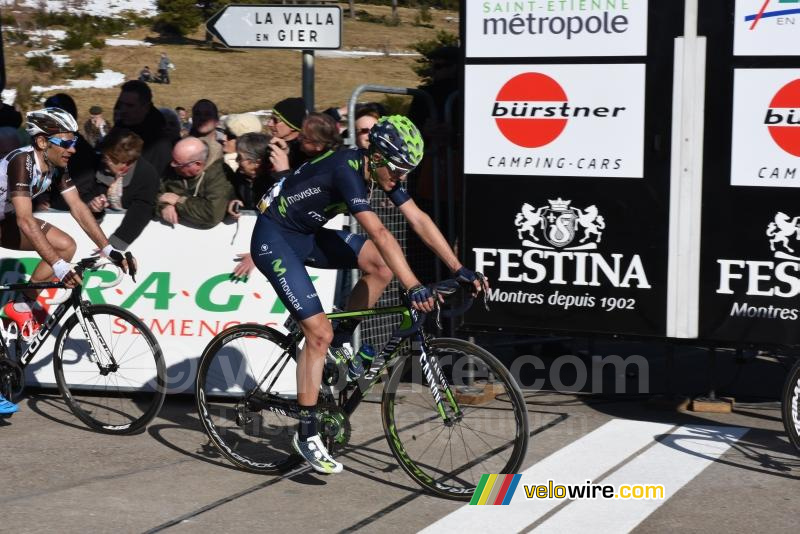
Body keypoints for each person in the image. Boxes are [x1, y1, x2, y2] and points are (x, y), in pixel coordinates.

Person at [248, 113, 485, 473]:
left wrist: (458, 268)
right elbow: (381, 234)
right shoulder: (347, 171)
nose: (402, 177)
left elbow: (418, 218)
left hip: (306, 235)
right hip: (274, 238)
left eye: (408, 170)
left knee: (381, 266)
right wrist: (414, 286)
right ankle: (307, 433)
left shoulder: (378, 170)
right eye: (399, 169)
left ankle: (343, 339)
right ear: (376, 157)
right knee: (318, 334)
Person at [0, 108, 137, 413]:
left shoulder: (56, 165)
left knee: (66, 246)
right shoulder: (22, 162)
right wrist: (60, 269)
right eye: (66, 142)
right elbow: (25, 221)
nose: (73, 148)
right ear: (42, 142)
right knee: (58, 255)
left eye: (74, 141)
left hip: (3, 220)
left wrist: (109, 250)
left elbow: (78, 207)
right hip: (11, 219)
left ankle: (21, 306)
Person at [85, 127, 160, 250]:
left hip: (129, 241)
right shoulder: (96, 165)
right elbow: (84, 192)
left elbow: (141, 212)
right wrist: (92, 206)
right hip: (92, 234)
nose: (104, 161)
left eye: (110, 159)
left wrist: (115, 246)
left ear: (127, 161)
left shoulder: (147, 175)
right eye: (104, 156)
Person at [157, 137, 232, 229]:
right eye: (173, 159)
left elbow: (212, 214)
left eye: (178, 163)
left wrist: (179, 201)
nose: (172, 165)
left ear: (197, 164)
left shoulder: (219, 174)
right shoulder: (175, 166)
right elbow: (153, 193)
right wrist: (163, 206)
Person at [113, 80, 176, 177]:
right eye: (121, 104)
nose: (123, 110)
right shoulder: (119, 129)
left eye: (130, 106)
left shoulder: (159, 142)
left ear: (145, 107)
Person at [268, 97, 308, 172]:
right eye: (270, 118)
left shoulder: (305, 152)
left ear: (292, 126)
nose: (269, 124)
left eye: (275, 120)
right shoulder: (272, 142)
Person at [189, 99, 222, 168]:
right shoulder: (183, 146)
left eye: (208, 114)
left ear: (217, 120)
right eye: (197, 114)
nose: (202, 118)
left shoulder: (227, 145)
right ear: (193, 119)